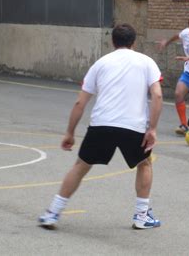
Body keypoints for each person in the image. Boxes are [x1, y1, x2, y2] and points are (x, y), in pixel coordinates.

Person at [38, 24, 163, 230]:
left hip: (102, 124)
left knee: (81, 166)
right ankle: (141, 216)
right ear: (134, 42)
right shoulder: (146, 62)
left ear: (113, 42)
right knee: (144, 164)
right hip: (133, 126)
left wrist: (70, 132)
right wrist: (152, 129)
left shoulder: (100, 63)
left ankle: (52, 212)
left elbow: (80, 103)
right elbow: (157, 95)